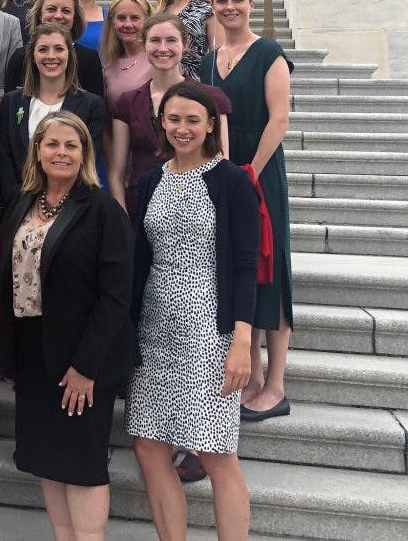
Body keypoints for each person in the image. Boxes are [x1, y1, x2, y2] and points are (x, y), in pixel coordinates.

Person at [126, 81, 260, 540]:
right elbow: (140, 257)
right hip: (155, 325)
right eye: (174, 119)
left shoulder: (232, 180)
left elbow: (245, 266)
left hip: (210, 330)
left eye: (192, 120)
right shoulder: (150, 181)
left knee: (217, 452)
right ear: (161, 123)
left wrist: (242, 342)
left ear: (209, 125)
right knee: (148, 446)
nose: (183, 128)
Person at [0, 111, 133, 541]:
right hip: (33, 353)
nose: (61, 152)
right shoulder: (21, 202)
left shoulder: (102, 209)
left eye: (71, 145)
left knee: (82, 464)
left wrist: (86, 367)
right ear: (38, 150)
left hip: (82, 359)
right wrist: (11, 357)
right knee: (47, 459)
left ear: (84, 154)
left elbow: (116, 297)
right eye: (52, 144)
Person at [200, 0, 294, 423]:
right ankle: (252, 377)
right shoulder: (210, 58)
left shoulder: (270, 53)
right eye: (221, 0)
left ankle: (276, 385)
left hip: (259, 173)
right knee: (244, 269)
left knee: (271, 270)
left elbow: (279, 120)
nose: (229, 7)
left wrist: (250, 174)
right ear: (213, 4)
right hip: (224, 172)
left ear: (251, 3)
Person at [110, 13, 231, 217]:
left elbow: (221, 159)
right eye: (155, 40)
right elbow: (117, 172)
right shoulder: (128, 102)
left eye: (171, 40)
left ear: (186, 44)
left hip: (197, 208)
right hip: (141, 207)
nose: (163, 48)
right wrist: (122, 219)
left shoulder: (211, 98)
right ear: (144, 44)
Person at [0, 23, 106, 202]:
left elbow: (87, 159)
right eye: (43, 49)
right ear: (32, 56)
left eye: (59, 49)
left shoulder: (91, 105)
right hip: (19, 203)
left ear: (69, 55)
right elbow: (4, 157)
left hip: (71, 205)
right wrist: (20, 201)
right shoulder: (12, 101)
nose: (51, 56)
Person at [4, 0, 105, 98]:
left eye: (66, 11)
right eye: (51, 9)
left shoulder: (89, 59)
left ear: (74, 17)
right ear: (39, 15)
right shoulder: (20, 57)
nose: (58, 16)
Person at [100, 0, 155, 113]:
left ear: (147, 21)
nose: (128, 24)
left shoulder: (158, 61)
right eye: (121, 18)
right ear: (112, 22)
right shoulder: (109, 66)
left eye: (135, 18)